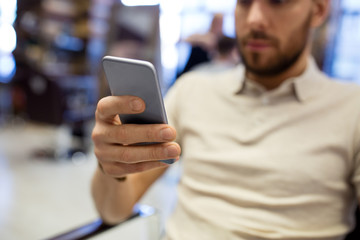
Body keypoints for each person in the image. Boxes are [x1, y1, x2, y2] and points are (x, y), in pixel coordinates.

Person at [91, 0, 360, 239]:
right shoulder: (193, 90)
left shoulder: (352, 108)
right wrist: (112, 165)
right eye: (244, 2)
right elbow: (113, 212)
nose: (254, 18)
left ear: (319, 10)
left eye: (277, 2)